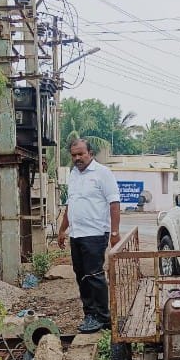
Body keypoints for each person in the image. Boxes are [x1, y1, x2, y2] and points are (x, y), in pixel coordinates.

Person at [58, 139, 121, 334]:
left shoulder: (102, 173)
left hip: (94, 233)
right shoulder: (74, 174)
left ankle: (102, 317)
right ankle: (90, 314)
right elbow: (71, 204)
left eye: (80, 154)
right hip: (76, 234)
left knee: (94, 275)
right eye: (74, 155)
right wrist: (62, 230)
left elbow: (114, 203)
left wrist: (115, 233)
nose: (77, 158)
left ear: (90, 153)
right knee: (81, 276)